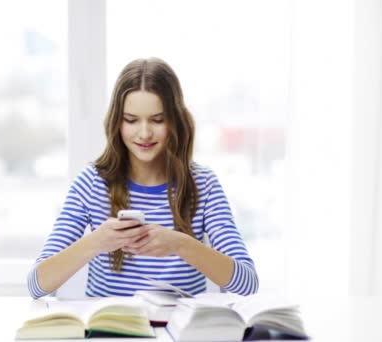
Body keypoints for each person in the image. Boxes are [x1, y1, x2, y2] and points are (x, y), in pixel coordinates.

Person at [28, 57, 259, 298]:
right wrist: (96, 242)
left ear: (175, 121)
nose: (145, 133)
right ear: (117, 123)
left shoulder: (203, 185)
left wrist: (180, 244)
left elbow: (247, 283)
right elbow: (37, 284)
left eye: (158, 120)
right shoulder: (92, 183)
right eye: (131, 120)